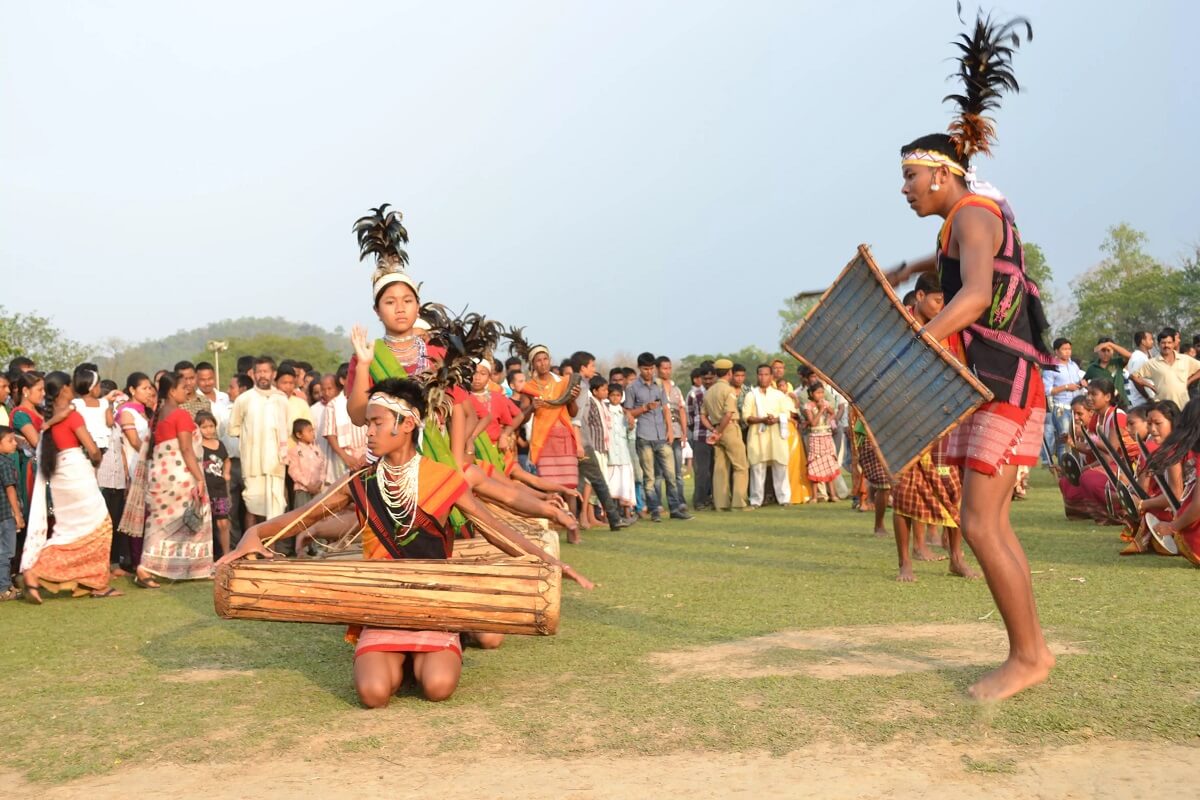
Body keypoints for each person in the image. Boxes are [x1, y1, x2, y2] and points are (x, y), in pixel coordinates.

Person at [217, 378, 594, 706]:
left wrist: (550, 563)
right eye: (367, 424)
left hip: (435, 602)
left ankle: (435, 649)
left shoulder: (443, 479)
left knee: (438, 687)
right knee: (374, 694)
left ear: (408, 423)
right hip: (380, 603)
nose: (369, 432)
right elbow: (303, 516)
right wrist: (253, 533)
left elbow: (496, 529)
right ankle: (396, 657)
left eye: (377, 423)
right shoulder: (361, 482)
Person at [887, 10, 1055, 701]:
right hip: (1006, 380)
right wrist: (907, 265)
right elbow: (957, 256)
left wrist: (915, 342)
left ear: (940, 174)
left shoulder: (976, 216)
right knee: (991, 522)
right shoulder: (970, 217)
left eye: (909, 176)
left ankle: (1028, 657)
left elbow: (978, 294)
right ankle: (1031, 651)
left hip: (1004, 380)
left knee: (982, 522)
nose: (903, 188)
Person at [891, 274, 977, 581]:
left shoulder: (952, 330)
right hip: (905, 423)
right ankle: (905, 563)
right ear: (920, 296)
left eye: (946, 302)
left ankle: (956, 558)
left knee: (954, 490)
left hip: (945, 421)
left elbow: (961, 370)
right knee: (903, 493)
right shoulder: (898, 326)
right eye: (939, 301)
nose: (943, 308)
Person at [20, 372, 120, 602]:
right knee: (102, 525)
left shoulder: (51, 418)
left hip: (59, 476)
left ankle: (43, 573)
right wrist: (96, 458)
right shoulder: (72, 417)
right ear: (65, 389)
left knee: (69, 530)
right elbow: (92, 449)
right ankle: (89, 581)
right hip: (77, 472)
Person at [138, 372, 213, 581]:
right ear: (172, 391)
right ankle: (192, 568)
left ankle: (154, 567)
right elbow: (187, 450)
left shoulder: (157, 415)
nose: (187, 390)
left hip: (160, 477)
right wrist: (199, 478)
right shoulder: (180, 415)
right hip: (179, 477)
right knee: (194, 518)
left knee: (160, 523)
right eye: (183, 388)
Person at [624, 352, 690, 522]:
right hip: (644, 436)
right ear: (640, 368)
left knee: (671, 474)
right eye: (646, 369)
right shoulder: (632, 388)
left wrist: (670, 431)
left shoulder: (658, 386)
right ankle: (654, 510)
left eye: (651, 368)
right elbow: (629, 413)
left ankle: (674, 508)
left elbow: (666, 409)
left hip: (661, 435)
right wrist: (645, 408)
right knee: (650, 477)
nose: (649, 372)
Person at [228, 356, 290, 527]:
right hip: (252, 464)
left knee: (275, 509)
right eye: (259, 372)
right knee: (252, 507)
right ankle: (252, 551)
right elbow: (234, 428)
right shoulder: (244, 399)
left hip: (276, 463)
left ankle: (272, 551)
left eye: (266, 371)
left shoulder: (281, 399)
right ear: (253, 374)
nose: (263, 375)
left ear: (273, 374)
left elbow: (288, 428)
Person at [1146, 398, 1200, 564]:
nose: (1152, 429)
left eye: (1158, 423)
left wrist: (1173, 527)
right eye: (1149, 423)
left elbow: (1196, 504)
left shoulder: (1175, 450)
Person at [702, 359, 749, 511]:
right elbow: (729, 413)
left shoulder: (708, 391)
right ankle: (739, 503)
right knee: (740, 466)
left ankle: (721, 504)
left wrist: (714, 430)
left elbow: (703, 416)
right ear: (729, 373)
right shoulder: (728, 390)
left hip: (716, 428)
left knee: (720, 469)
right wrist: (720, 431)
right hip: (729, 429)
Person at [743, 364, 793, 507]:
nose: (763, 377)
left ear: (771, 377)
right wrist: (762, 420)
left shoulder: (778, 395)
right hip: (758, 436)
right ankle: (756, 500)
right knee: (757, 468)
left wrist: (775, 419)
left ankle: (784, 499)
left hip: (776, 435)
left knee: (780, 466)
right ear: (757, 376)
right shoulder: (751, 395)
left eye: (766, 375)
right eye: (760, 374)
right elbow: (746, 417)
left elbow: (787, 413)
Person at [1131, 328, 1200, 411]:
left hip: (1183, 406)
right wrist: (1150, 386)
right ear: (1159, 344)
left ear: (1174, 344)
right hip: (1163, 408)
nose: (1166, 345)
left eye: (1169, 343)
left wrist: (1189, 381)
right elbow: (1133, 376)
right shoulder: (1152, 363)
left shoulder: (1185, 359)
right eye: (1163, 343)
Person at [1043, 338, 1087, 465]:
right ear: (1056, 351)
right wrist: (1067, 387)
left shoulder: (1074, 365)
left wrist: (1081, 384)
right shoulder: (1051, 368)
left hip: (1077, 407)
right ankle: (1065, 468)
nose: (1067, 352)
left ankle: (1078, 466)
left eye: (1069, 349)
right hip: (1062, 407)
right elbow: (1047, 390)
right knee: (1064, 439)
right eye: (1064, 349)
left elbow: (1078, 382)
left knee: (1078, 437)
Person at [656, 356, 689, 515]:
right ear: (658, 369)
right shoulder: (654, 387)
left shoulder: (676, 389)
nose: (667, 371)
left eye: (669, 368)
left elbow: (682, 410)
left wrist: (684, 432)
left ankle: (680, 501)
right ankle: (657, 503)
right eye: (664, 368)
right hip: (658, 435)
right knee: (659, 473)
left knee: (677, 472)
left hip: (676, 434)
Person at [198, 410, 233, 559]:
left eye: (211, 426)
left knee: (223, 523)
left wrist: (226, 473)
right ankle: (207, 557)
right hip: (205, 491)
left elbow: (226, 459)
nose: (209, 430)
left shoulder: (219, 444)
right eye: (204, 427)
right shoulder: (197, 446)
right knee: (205, 525)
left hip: (219, 491)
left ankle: (226, 554)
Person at [10, 372, 45, 520]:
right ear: (25, 391)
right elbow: (37, 442)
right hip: (32, 468)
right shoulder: (20, 414)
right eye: (39, 390)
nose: (43, 394)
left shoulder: (40, 412)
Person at [69, 364, 119, 462]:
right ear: (93, 388)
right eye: (99, 386)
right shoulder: (104, 403)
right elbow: (110, 423)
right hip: (102, 443)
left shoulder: (76, 403)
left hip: (83, 442)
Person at [803, 383, 840, 501]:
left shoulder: (826, 403)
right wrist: (820, 410)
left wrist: (828, 414)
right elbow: (813, 423)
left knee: (829, 463)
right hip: (815, 437)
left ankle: (833, 495)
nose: (821, 395)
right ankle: (814, 496)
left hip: (826, 437)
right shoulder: (808, 406)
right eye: (818, 393)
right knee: (815, 465)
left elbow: (833, 412)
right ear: (811, 394)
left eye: (822, 392)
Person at [604, 383, 636, 518]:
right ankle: (608, 514)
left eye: (618, 395)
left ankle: (627, 513)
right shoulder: (605, 411)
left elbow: (630, 436)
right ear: (608, 396)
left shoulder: (625, 413)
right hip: (610, 455)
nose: (615, 398)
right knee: (610, 485)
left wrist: (631, 426)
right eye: (612, 395)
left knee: (624, 485)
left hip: (623, 455)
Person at [686, 365, 714, 509]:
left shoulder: (718, 393)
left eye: (711, 378)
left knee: (715, 470)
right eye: (705, 378)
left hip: (717, 436)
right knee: (702, 471)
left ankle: (713, 498)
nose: (708, 381)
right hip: (701, 436)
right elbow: (689, 418)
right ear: (700, 379)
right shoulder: (694, 395)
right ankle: (699, 501)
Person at [0, 427, 23, 600]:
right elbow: (10, 490)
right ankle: (4, 588)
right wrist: (17, 514)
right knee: (6, 552)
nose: (15, 443)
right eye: (10, 440)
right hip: (5, 514)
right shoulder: (5, 462)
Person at [288, 418, 327, 513]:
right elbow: (294, 471)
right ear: (299, 434)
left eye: (313, 430)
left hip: (317, 489)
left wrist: (319, 483)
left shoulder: (317, 450)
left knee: (318, 515)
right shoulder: (295, 451)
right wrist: (308, 485)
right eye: (309, 431)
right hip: (303, 490)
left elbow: (323, 467)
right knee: (303, 516)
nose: (313, 433)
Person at [1125, 331, 1155, 409]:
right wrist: (1148, 398)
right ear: (1143, 341)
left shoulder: (1141, 356)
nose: (1153, 342)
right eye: (1150, 339)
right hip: (1140, 402)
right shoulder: (1140, 358)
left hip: (1141, 402)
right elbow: (1136, 380)